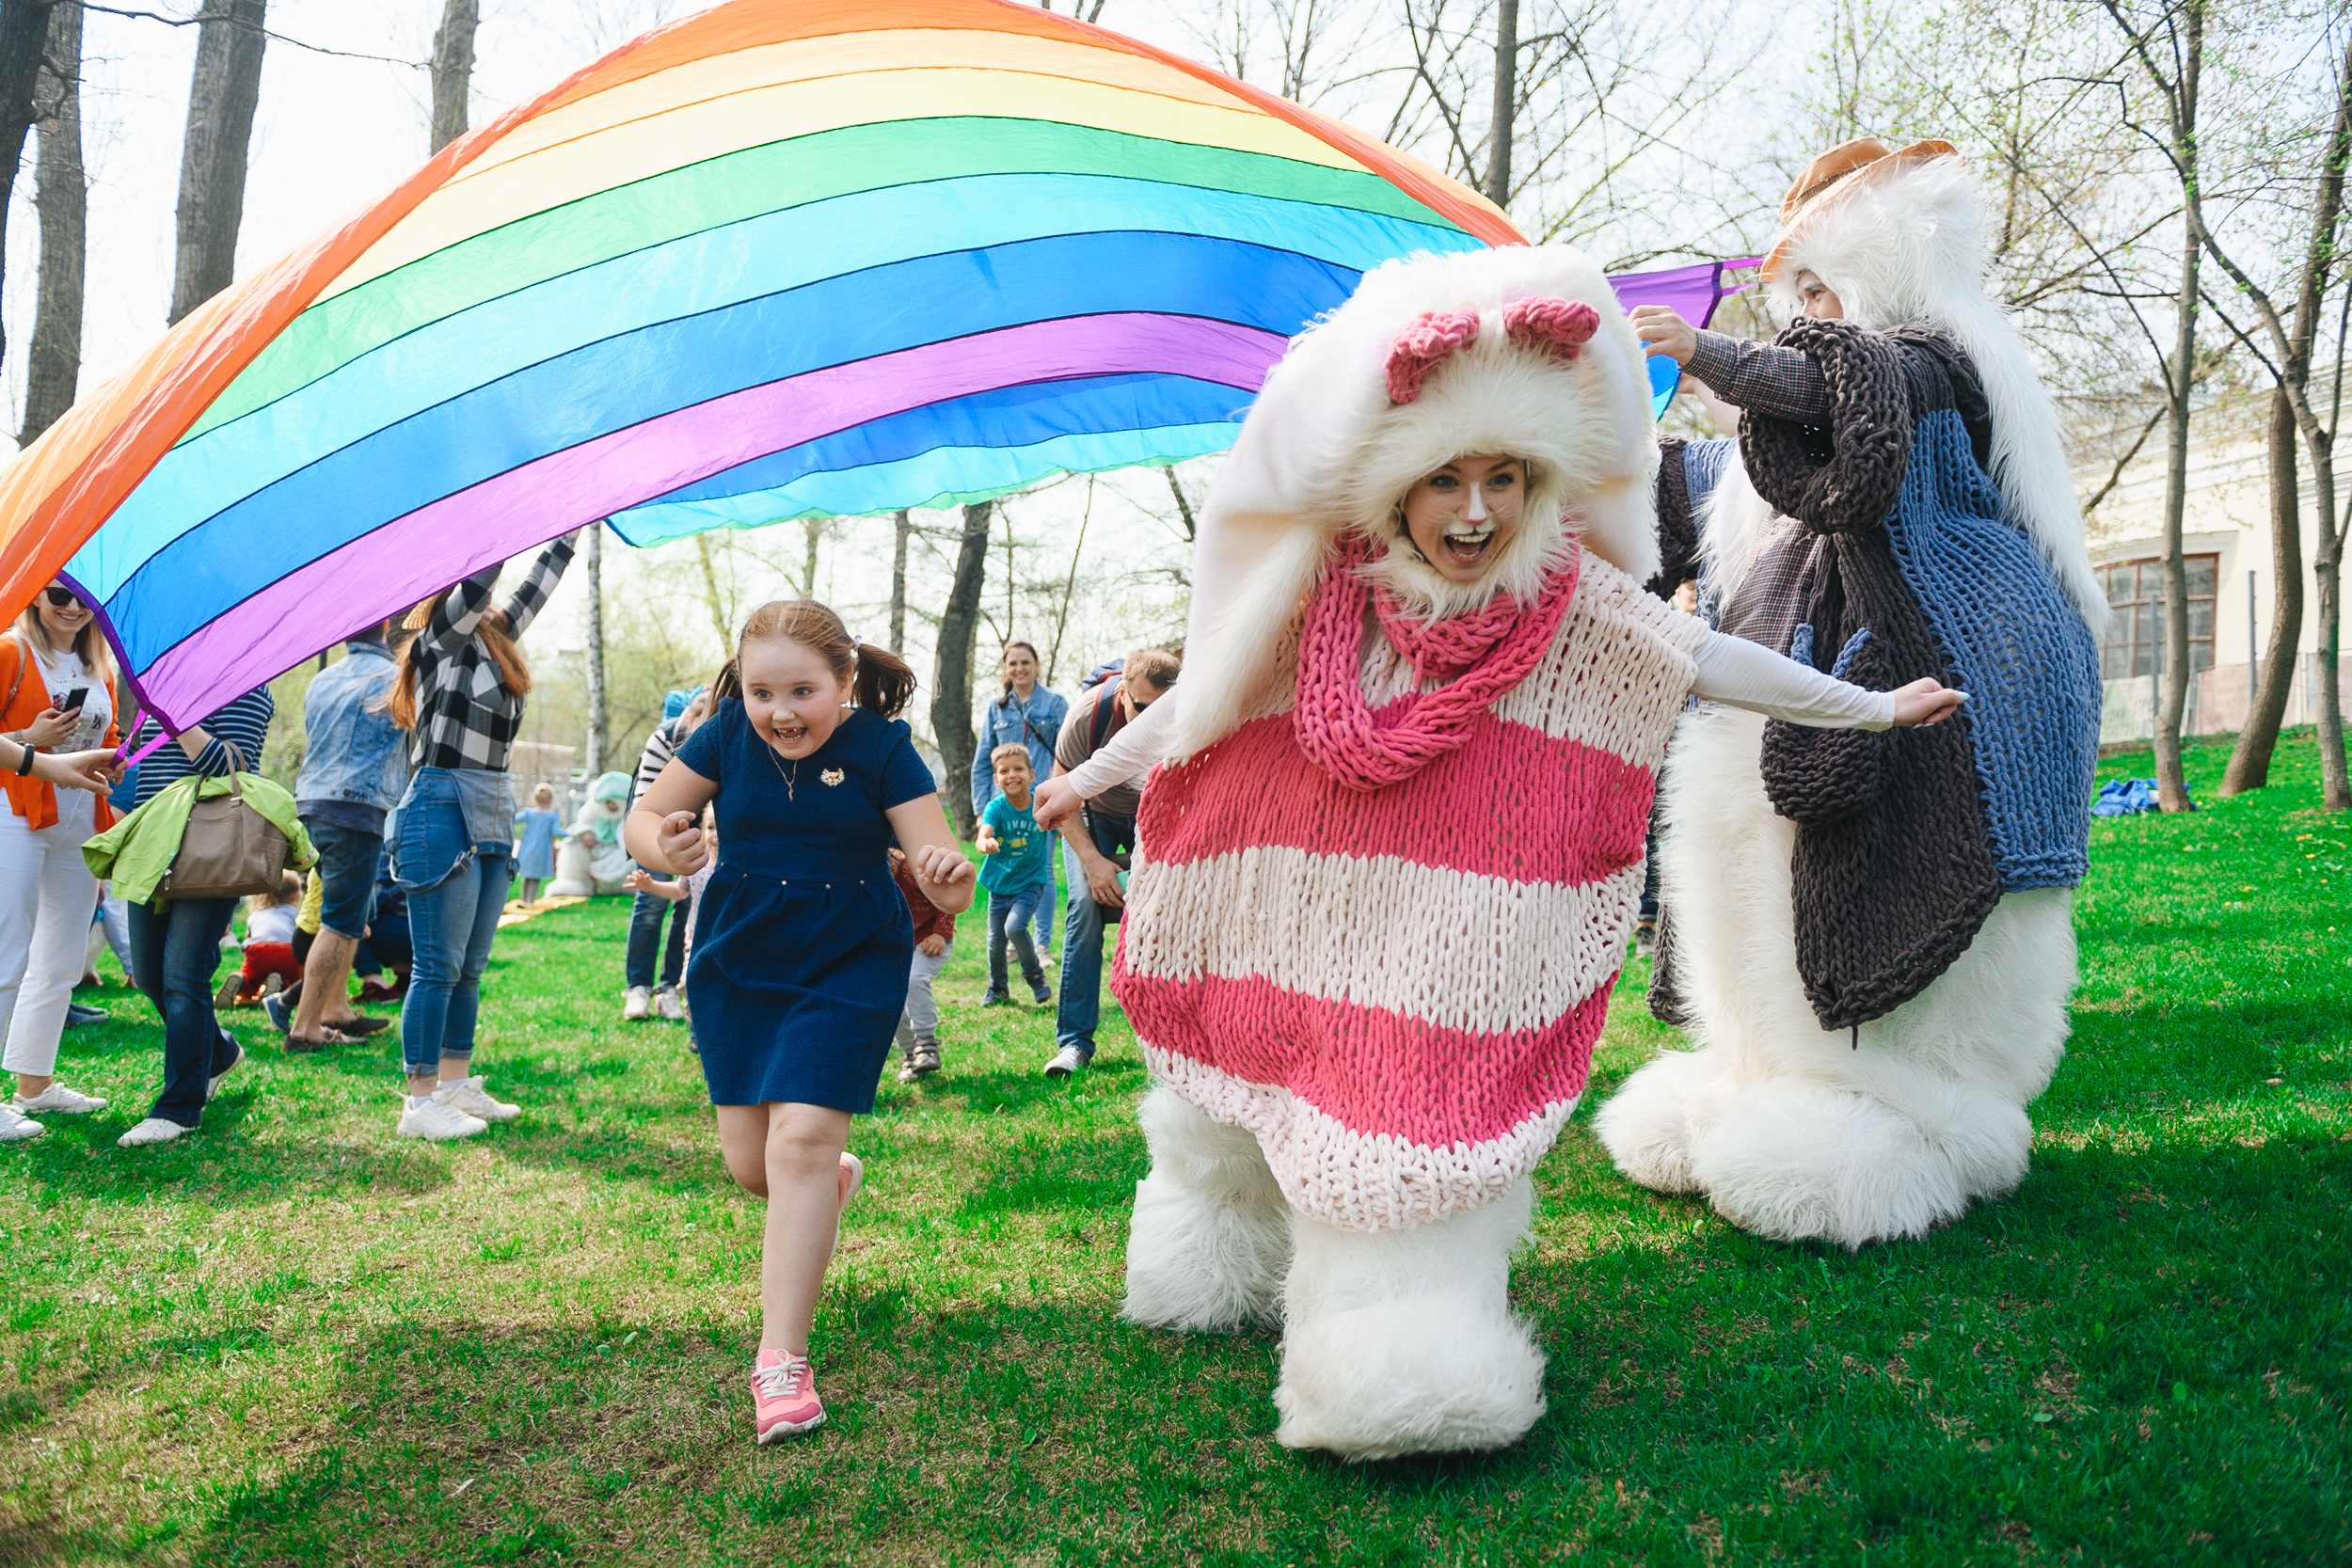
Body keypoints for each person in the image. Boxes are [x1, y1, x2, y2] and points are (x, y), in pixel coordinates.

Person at [1029, 245, 1963, 1457]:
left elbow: (1715, 661)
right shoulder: (1321, 596)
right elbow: (1196, 699)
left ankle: (1400, 1353)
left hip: (1446, 943)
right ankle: (1212, 1257)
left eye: (1506, 479)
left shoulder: (1575, 606)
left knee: (1410, 1119)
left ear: (1541, 482)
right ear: (1393, 485)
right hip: (1297, 904)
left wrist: (1876, 709)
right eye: (1446, 479)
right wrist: (1085, 778)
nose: (1475, 511)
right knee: (1238, 1099)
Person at [1598, 139, 2106, 1249]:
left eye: (1829, 290)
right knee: (1748, 876)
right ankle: (1755, 1070)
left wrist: (1711, 355)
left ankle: (1917, 1112)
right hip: (1780, 703)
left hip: (1931, 704)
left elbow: (1844, 392)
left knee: (1876, 876)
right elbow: (1677, 498)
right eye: (1802, 295)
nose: (1811, 316)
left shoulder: (1934, 367)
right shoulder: (1768, 469)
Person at [626, 600, 974, 1444]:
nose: (781, 711)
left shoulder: (885, 749)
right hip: (741, 958)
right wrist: (662, 847)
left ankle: (780, 1362)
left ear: (845, 682)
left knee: (801, 1142)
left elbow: (945, 869)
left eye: (803, 691)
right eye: (762, 691)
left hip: (849, 954)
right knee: (758, 1167)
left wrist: (947, 875)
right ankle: (826, 1182)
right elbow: (641, 820)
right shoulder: (721, 739)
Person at [386, 531, 577, 1141]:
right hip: (440, 801)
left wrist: (570, 521)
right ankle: (418, 1103)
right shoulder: (440, 637)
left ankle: (454, 1084)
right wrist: (507, 514)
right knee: (437, 965)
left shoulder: (497, 641)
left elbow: (539, 581)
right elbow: (482, 574)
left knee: (469, 966)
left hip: (493, 804)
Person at [116, 686, 280, 1148]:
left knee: (182, 975)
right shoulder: (168, 685)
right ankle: (219, 1051)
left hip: (210, 848)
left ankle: (179, 1109)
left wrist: (177, 718)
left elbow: (235, 769)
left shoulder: (247, 687)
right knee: (149, 973)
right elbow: (151, 772)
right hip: (153, 843)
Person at [0, 590, 124, 1143]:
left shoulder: (100, 666)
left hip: (79, 822)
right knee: (8, 953)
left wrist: (113, 759)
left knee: (62, 957)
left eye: (82, 600)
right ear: (36, 595)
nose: (72, 608)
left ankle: (34, 1085)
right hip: (15, 812)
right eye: (58, 595)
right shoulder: (12, 650)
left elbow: (108, 735)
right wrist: (31, 740)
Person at [1040, 646, 1178, 1078]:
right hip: (1089, 816)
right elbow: (1060, 794)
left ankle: (1170, 1037)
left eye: (1163, 708)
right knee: (1085, 908)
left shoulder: (1183, 720)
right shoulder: (1086, 717)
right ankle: (1074, 1043)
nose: (1151, 717)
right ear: (1122, 692)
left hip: (1152, 816)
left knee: (1164, 912)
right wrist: (1095, 863)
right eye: (1141, 707)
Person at [279, 623, 406, 1051]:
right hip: (356, 807)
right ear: (386, 627)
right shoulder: (393, 677)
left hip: (312, 804)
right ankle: (305, 1028)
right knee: (340, 922)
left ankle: (335, 1009)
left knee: (346, 916)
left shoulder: (322, 678)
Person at [970, 641, 1068, 965]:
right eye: (1013, 663)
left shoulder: (1054, 705)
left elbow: (1066, 754)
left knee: (1043, 872)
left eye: (1025, 662)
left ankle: (1040, 946)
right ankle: (1015, 938)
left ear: (1036, 664)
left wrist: (1060, 800)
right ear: (1005, 668)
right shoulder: (997, 708)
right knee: (1008, 868)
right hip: (1003, 807)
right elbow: (983, 761)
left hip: (1041, 803)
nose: (1019, 669)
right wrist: (981, 808)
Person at [622, 689, 708, 1022]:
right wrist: (662, 852)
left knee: (687, 906)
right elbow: (642, 807)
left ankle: (669, 986)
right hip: (658, 825)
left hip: (702, 826)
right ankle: (638, 987)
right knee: (651, 902)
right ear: (689, 721)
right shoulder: (665, 738)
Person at [973, 743, 1053, 1008]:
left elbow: (1062, 821)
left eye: (1018, 769)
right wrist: (986, 843)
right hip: (1000, 884)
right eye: (1004, 771)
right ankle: (998, 989)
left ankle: (1036, 978)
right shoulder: (996, 807)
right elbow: (984, 833)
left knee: (1014, 928)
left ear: (1031, 775)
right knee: (995, 941)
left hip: (1031, 881)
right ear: (996, 779)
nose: (1011, 775)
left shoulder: (1041, 804)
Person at [887, 847, 957, 1082]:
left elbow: (946, 895)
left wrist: (940, 932)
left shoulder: (914, 872)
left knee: (914, 980)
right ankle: (911, 1055)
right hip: (896, 943)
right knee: (889, 997)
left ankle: (927, 1045)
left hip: (930, 939)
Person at [219, 874, 304, 1007]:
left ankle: (242, 982)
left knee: (252, 979)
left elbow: (249, 939)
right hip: (287, 950)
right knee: (293, 980)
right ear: (294, 895)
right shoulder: (296, 914)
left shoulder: (256, 914)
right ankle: (280, 984)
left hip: (258, 950)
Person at [514, 783, 562, 905]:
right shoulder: (551, 816)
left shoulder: (529, 813)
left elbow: (513, 819)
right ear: (551, 799)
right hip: (542, 850)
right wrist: (570, 834)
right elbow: (556, 831)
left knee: (527, 875)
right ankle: (530, 901)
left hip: (527, 849)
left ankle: (524, 900)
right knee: (535, 877)